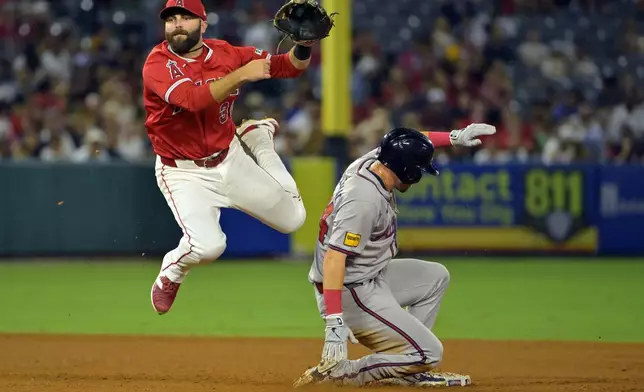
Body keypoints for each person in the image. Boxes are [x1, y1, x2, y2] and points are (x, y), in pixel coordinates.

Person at [142, 0, 321, 315]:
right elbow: (192, 100)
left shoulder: (226, 53)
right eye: (172, 19)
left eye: (186, 18)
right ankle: (172, 272)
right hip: (183, 173)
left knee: (293, 219)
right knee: (209, 246)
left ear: (203, 23)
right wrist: (241, 75)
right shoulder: (157, 63)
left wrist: (303, 46)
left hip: (230, 157)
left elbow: (286, 66)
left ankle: (258, 140)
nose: (178, 25)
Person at [294, 124, 496, 388]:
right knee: (429, 353)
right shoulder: (364, 200)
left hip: (369, 277)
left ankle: (408, 370)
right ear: (408, 171)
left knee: (435, 277)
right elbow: (335, 258)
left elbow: (410, 140)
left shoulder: (377, 160)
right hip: (349, 292)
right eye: (419, 170)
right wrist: (334, 324)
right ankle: (345, 372)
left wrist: (453, 138)